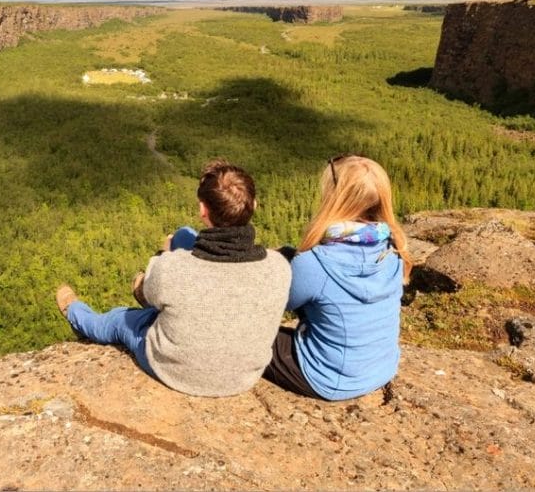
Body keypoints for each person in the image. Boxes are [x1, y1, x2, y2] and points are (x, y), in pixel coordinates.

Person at [55, 160, 291, 397]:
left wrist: (161, 259)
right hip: (243, 377)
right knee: (184, 235)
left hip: (177, 371)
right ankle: (166, 278)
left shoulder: (174, 268)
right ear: (255, 205)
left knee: (121, 319)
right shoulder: (279, 267)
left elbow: (154, 286)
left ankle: (77, 314)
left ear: (203, 210)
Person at [264, 154, 412, 401]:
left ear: (335, 197)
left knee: (248, 335)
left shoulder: (316, 262)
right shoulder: (394, 249)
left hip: (328, 378)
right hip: (381, 368)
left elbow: (283, 302)